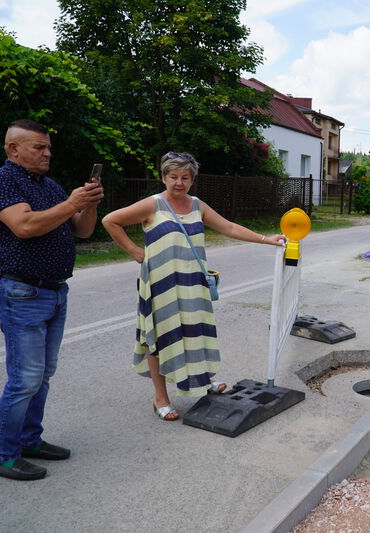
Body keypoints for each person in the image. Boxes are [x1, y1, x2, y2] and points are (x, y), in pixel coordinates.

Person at [102, 152, 285, 422]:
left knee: (194, 331)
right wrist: (135, 252)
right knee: (159, 339)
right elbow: (110, 220)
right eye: (173, 176)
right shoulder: (153, 205)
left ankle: (202, 378)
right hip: (160, 286)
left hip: (192, 284)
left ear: (192, 180)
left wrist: (265, 239)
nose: (179, 182)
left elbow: (230, 228)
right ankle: (160, 398)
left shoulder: (198, 206)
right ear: (163, 177)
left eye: (185, 177)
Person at [0, 119, 104, 480]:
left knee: (42, 375)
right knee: (25, 377)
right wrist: (71, 203)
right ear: (13, 149)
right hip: (20, 291)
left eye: (48, 147)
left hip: (53, 291)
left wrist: (89, 203)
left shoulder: (50, 187)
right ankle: (4, 455)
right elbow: (25, 226)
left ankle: (30, 440)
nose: (47, 153)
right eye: (39, 147)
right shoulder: (0, 181)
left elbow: (81, 229)